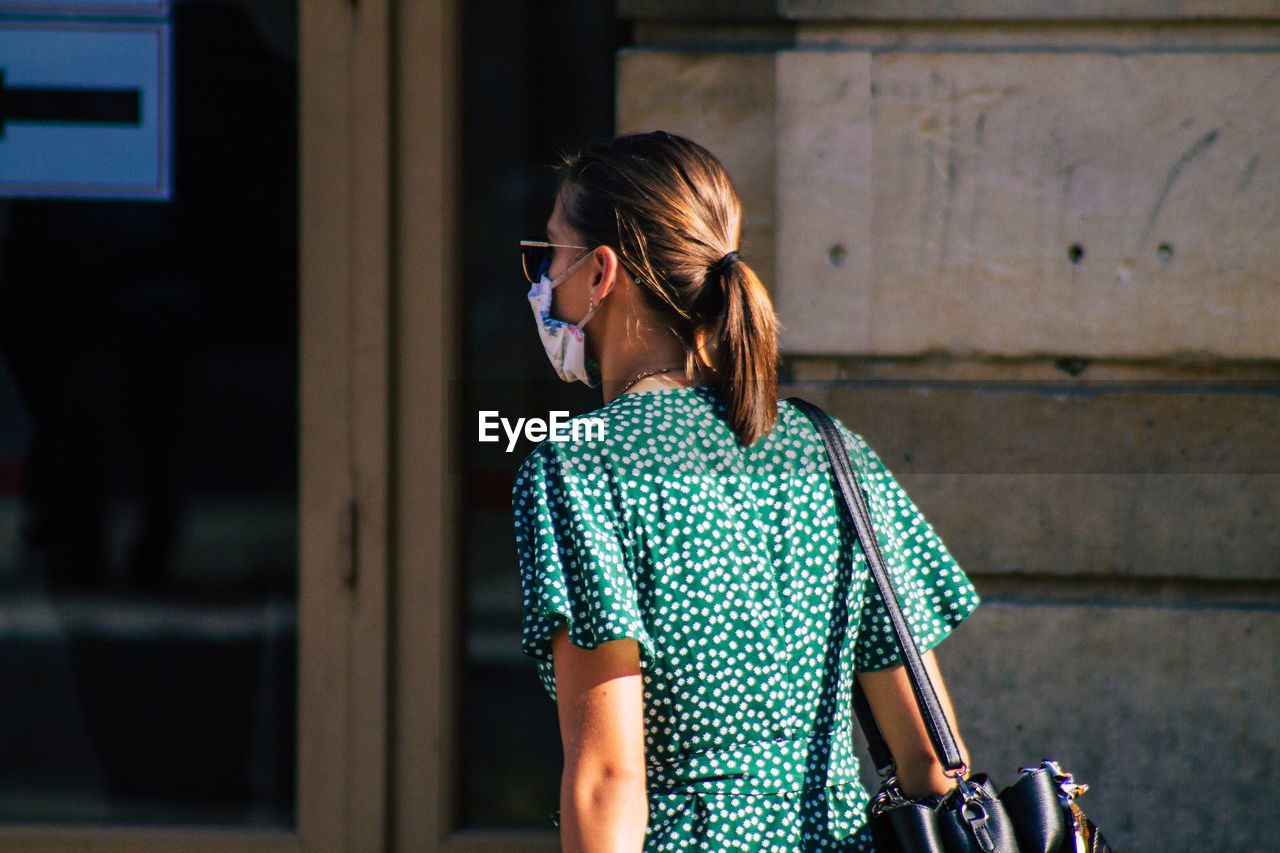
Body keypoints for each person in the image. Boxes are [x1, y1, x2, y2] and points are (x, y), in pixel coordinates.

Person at [512, 131, 980, 852]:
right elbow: (928, 756)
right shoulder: (833, 452)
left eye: (550, 253)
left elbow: (608, 777)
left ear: (602, 272)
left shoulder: (580, 468)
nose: (541, 278)